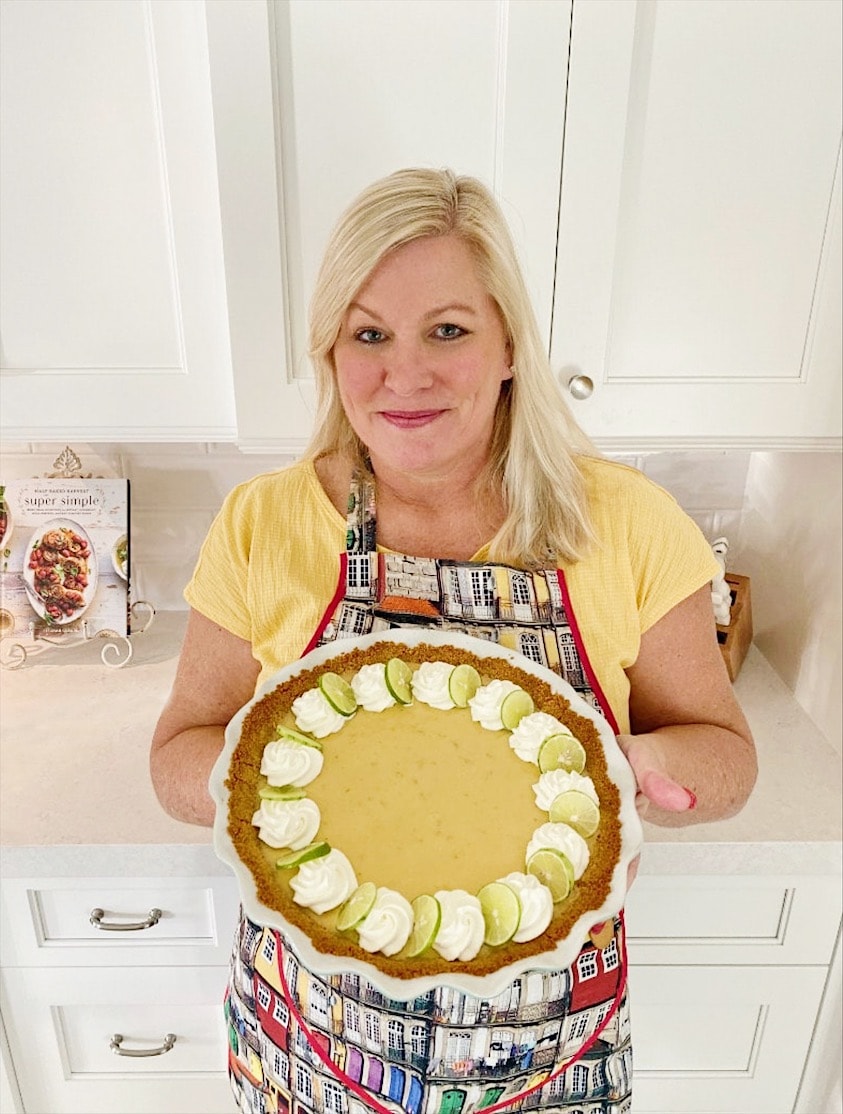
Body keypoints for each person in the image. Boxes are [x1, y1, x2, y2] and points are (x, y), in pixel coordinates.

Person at [150, 168, 757, 1113]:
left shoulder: (628, 523)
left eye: (447, 329)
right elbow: (177, 754)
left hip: (550, 1061)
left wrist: (612, 772)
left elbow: (724, 758)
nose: (406, 374)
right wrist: (275, 778)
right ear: (330, 352)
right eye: (368, 334)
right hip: (311, 1050)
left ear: (509, 343)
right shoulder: (261, 522)